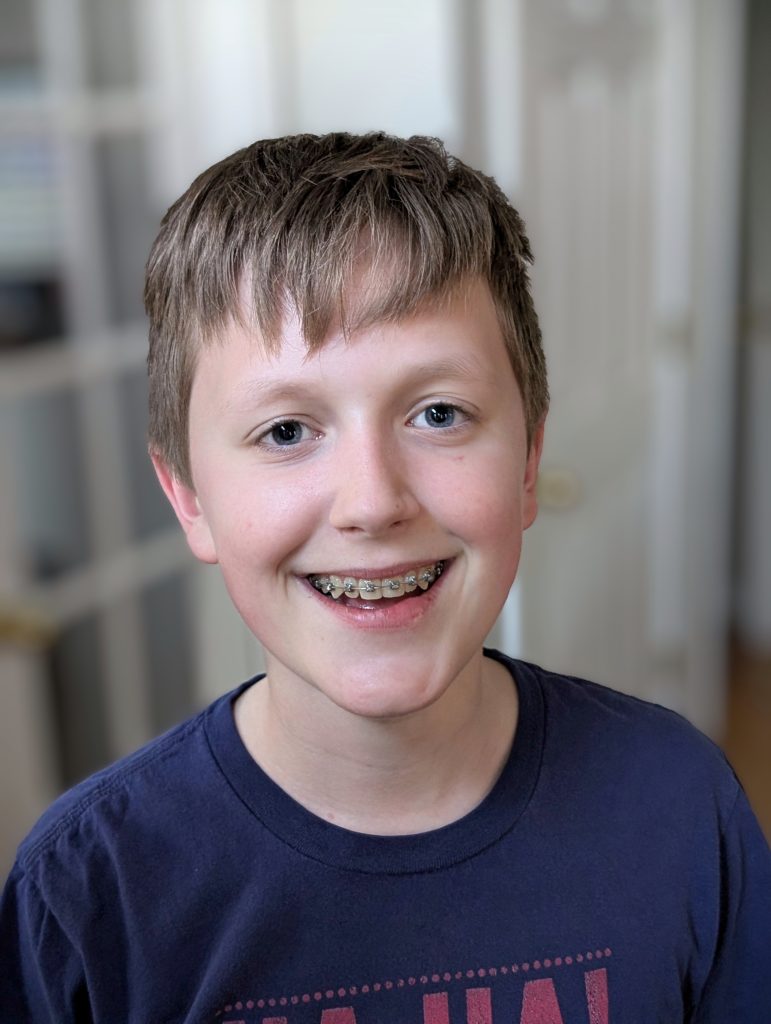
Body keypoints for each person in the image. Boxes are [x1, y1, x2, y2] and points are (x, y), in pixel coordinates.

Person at [2, 132, 770, 1023]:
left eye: (438, 414)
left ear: (527, 464)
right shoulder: (86, 895)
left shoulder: (678, 803)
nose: (372, 503)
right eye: (286, 431)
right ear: (188, 497)